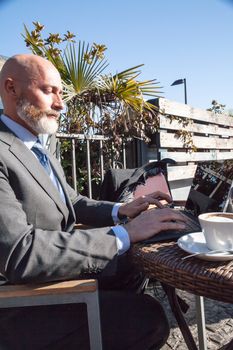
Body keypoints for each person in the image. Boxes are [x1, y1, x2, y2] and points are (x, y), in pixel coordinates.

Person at [0, 54, 187, 350]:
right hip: (19, 302)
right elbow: (20, 253)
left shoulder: (38, 145)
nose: (61, 104)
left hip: (51, 275)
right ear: (11, 89)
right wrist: (125, 233)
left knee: (133, 266)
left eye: (60, 93)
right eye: (49, 91)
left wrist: (121, 210)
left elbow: (70, 201)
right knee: (148, 318)